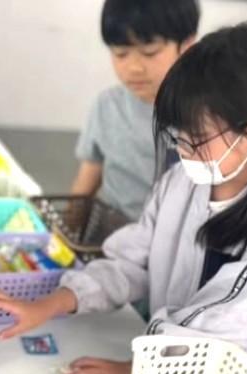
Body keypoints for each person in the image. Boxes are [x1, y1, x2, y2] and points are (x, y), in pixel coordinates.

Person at [0, 23, 247, 374]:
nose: (183, 152)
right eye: (177, 137)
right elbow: (133, 260)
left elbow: (233, 321)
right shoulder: (182, 182)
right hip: (168, 371)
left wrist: (142, 371)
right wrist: (54, 302)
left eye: (197, 140)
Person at [71, 0, 199, 221]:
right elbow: (86, 184)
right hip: (111, 230)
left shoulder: (205, 114)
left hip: (173, 234)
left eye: (150, 53)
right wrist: (66, 229)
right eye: (121, 54)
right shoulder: (108, 105)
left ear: (187, 46)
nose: (134, 68)